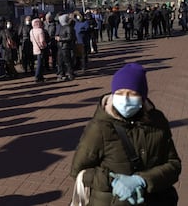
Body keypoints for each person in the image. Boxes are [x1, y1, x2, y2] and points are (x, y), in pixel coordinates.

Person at [70, 63, 181, 206]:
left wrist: (143, 180)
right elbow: (79, 171)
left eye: (132, 93)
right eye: (120, 93)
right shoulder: (99, 127)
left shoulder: (157, 121)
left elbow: (173, 164)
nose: (126, 99)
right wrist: (113, 182)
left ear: (142, 96)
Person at [29, 18, 47, 82]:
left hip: (35, 48)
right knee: (40, 63)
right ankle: (37, 76)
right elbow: (42, 41)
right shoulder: (40, 30)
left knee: (39, 62)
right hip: (41, 48)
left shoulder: (31, 31)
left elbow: (31, 40)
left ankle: (40, 76)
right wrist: (45, 45)